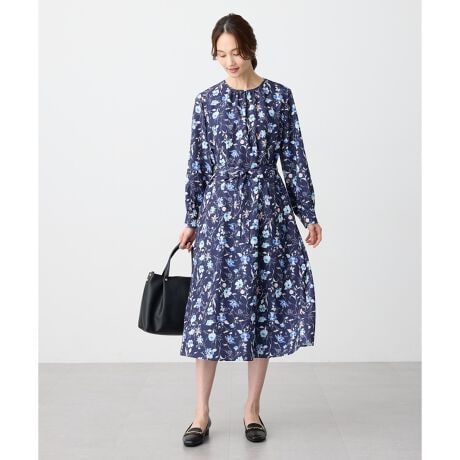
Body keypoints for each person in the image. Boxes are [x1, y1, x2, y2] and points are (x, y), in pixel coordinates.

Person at [178, 13, 322, 447]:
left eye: (236, 52)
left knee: (261, 310)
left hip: (268, 216)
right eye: (221, 54)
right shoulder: (207, 102)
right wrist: (191, 219)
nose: (229, 61)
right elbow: (198, 164)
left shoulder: (279, 97)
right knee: (208, 314)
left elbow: (293, 158)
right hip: (219, 219)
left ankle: (252, 409)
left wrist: (307, 213)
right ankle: (201, 414)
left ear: (251, 49)